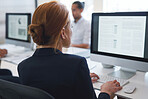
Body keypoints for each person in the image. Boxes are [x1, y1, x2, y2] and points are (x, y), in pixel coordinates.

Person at [18, 1, 122, 99]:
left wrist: (81, 79)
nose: (71, 30)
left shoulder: (23, 67)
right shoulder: (76, 64)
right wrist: (106, 92)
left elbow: (53, 83)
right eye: (70, 26)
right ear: (63, 33)